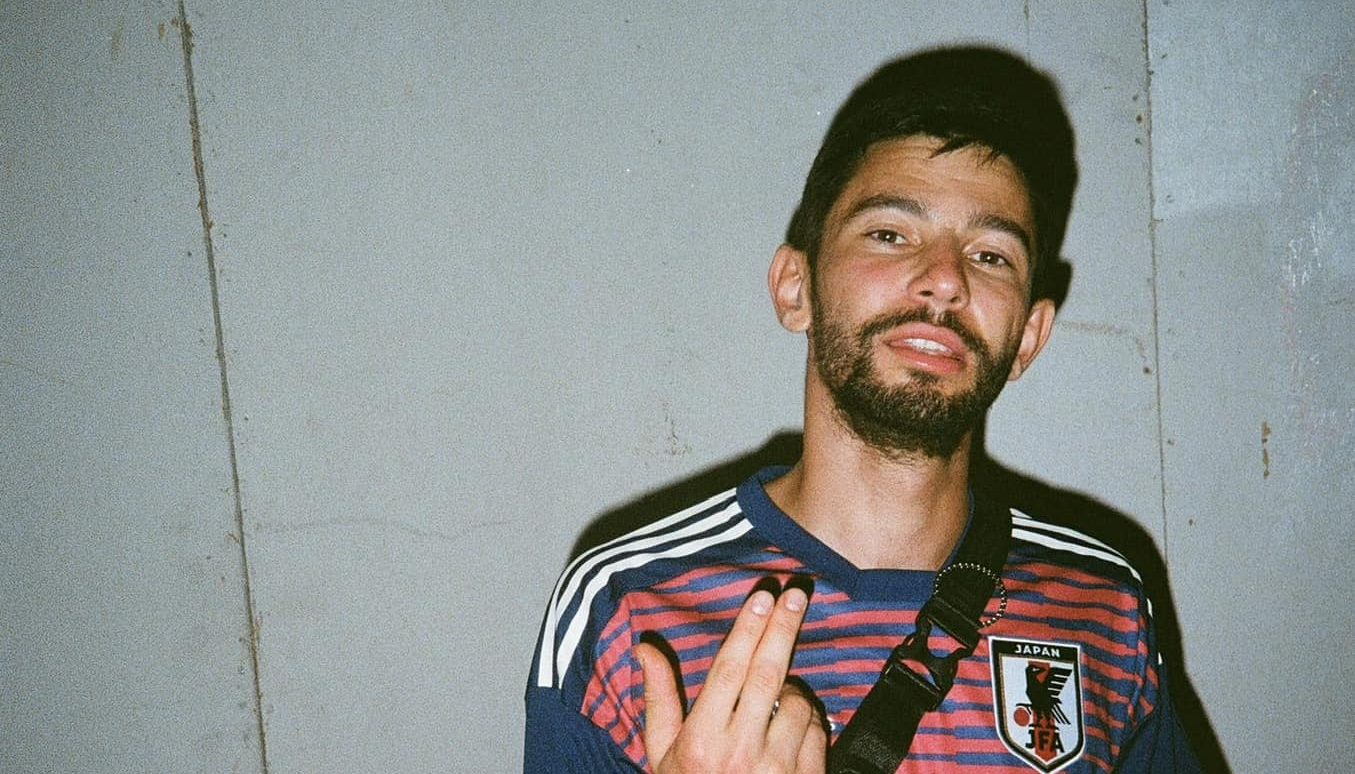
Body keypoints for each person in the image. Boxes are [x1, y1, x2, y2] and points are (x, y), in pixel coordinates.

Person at [524, 47, 1201, 773]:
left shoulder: (1102, 606)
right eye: (890, 235)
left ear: (1029, 336)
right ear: (797, 289)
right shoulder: (627, 606)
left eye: (990, 255)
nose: (944, 280)